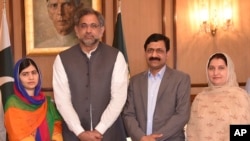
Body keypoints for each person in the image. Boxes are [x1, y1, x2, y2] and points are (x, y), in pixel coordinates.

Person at [52, 8, 129, 141]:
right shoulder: (62, 59)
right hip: (74, 135)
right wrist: (80, 132)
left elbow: (119, 98)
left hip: (110, 134)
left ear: (101, 30)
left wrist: (100, 130)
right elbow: (62, 101)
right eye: (84, 26)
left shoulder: (116, 57)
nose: (88, 31)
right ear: (76, 30)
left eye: (94, 26)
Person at [122, 33, 191, 141]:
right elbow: (128, 114)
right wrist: (142, 137)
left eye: (159, 51)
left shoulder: (181, 79)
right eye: (150, 50)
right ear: (145, 53)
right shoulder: (135, 82)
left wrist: (155, 138)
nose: (154, 55)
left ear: (167, 54)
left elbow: (182, 115)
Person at [186, 52, 250, 141]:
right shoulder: (200, 98)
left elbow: (242, 132)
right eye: (211, 68)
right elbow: (192, 131)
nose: (215, 72)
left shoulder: (240, 97)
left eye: (221, 68)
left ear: (229, 70)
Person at [4, 58, 63, 141]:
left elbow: (56, 128)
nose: (31, 77)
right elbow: (17, 134)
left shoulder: (47, 102)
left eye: (34, 73)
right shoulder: (13, 103)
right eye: (25, 74)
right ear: (18, 78)